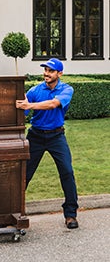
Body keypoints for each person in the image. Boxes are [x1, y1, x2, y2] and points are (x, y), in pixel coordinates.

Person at [16, 58, 79, 229]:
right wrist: (20, 101)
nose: (46, 73)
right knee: (23, 174)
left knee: (67, 172)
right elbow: (23, 108)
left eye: (50, 71)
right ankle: (14, 212)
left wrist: (30, 104)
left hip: (56, 137)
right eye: (45, 70)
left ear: (59, 73)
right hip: (35, 136)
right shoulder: (35, 90)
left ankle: (71, 214)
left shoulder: (66, 89)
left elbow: (53, 104)